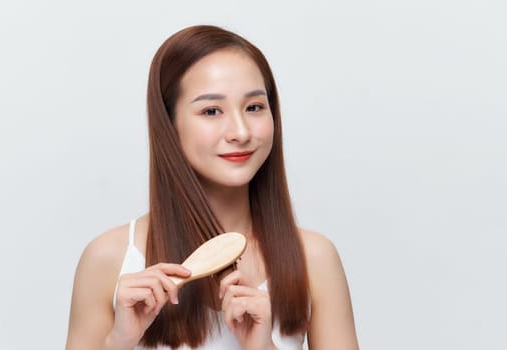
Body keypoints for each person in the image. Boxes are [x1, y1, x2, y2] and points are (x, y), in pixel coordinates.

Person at [65, 25, 358, 350]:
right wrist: (120, 340)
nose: (240, 131)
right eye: (211, 111)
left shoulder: (314, 258)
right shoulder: (110, 258)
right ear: (169, 124)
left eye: (254, 107)